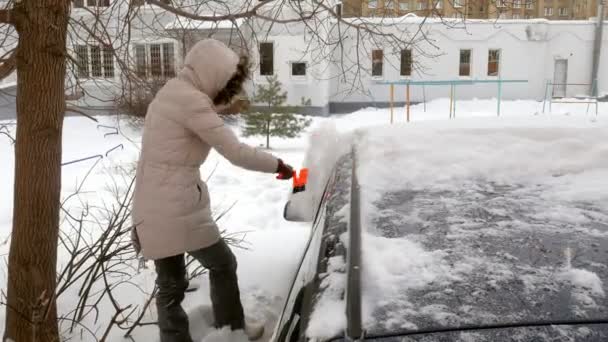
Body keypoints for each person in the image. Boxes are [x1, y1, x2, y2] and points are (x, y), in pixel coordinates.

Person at [131, 39, 295, 342]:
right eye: (225, 81)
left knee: (170, 285)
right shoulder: (191, 102)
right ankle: (232, 329)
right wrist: (278, 164)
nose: (225, 90)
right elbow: (235, 151)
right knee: (222, 263)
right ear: (213, 73)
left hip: (149, 204)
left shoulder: (169, 94)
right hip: (175, 205)